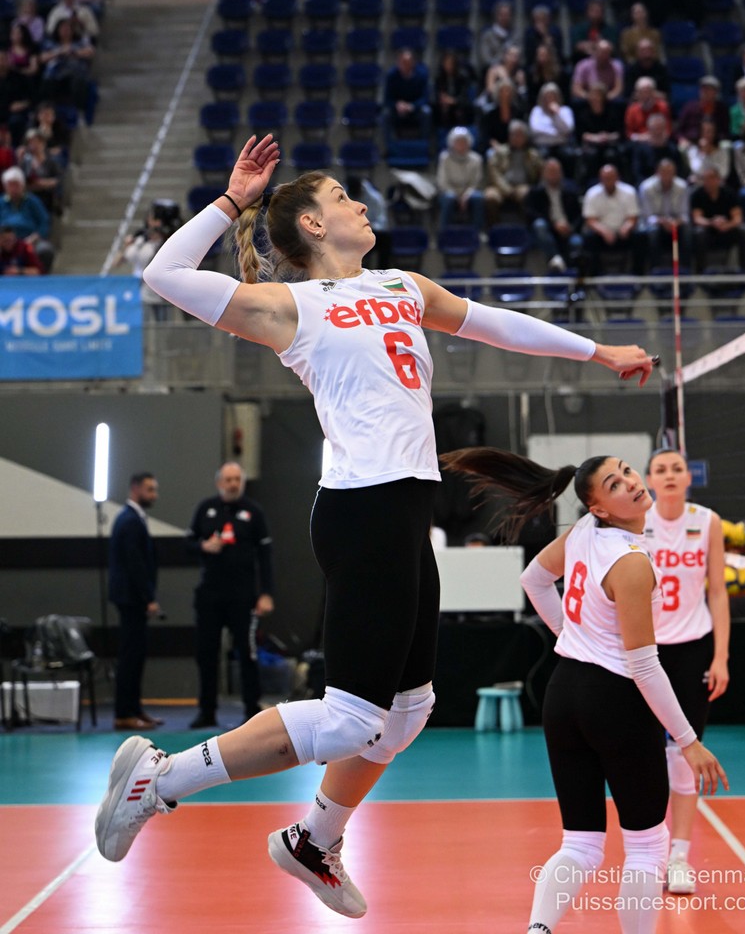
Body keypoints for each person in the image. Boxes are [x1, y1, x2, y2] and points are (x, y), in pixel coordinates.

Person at [94, 133, 657, 919]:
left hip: (405, 509)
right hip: (363, 508)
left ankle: (313, 841)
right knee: (352, 718)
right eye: (341, 198)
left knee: (407, 712)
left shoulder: (400, 285)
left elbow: (495, 323)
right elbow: (163, 275)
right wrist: (232, 200)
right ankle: (161, 779)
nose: (359, 204)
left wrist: (596, 352)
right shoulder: (288, 306)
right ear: (313, 226)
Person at [439, 446, 726, 934]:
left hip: (564, 693)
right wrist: (687, 741)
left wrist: (570, 636)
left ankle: (538, 930)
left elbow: (533, 579)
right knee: (647, 845)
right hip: (614, 700)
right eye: (614, 484)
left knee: (581, 842)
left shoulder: (584, 531)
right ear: (600, 508)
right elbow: (644, 665)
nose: (631, 482)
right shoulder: (631, 562)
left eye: (627, 471)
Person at [642, 448, 730, 894]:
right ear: (650, 480)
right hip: (646, 650)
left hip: (694, 647)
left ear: (688, 478)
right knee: (643, 754)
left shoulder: (708, 521)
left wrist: (721, 657)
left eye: (677, 468)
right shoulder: (636, 521)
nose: (670, 475)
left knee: (683, 754)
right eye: (661, 469)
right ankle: (650, 851)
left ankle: (679, 857)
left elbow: (719, 592)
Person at [186, 462, 274, 729]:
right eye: (228, 479)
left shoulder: (254, 512)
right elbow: (187, 544)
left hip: (243, 596)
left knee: (247, 653)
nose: (233, 484)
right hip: (210, 595)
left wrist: (266, 593)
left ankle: (251, 710)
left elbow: (265, 556)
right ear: (219, 483)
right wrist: (204, 546)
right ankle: (207, 712)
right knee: (206, 653)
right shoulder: (205, 509)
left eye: (237, 479)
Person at [107, 472, 163, 732]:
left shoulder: (133, 518)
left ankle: (134, 709)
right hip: (131, 599)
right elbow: (135, 563)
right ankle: (124, 713)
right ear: (135, 489)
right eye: (150, 489)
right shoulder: (130, 520)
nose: (154, 495)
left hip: (132, 598)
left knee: (136, 655)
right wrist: (148, 597)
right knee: (130, 656)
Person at [525, 156, 583, 272]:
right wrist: (554, 225)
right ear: (544, 173)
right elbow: (531, 214)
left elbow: (579, 215)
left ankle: (571, 271)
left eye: (556, 172)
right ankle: (556, 257)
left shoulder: (571, 190)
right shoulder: (536, 192)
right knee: (539, 225)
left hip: (568, 229)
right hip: (548, 229)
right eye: (550, 172)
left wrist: (570, 227)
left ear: (561, 173)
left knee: (577, 242)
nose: (553, 175)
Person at [582, 164, 642, 274]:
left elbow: (633, 217)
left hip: (623, 231)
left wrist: (626, 227)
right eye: (605, 178)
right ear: (600, 179)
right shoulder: (592, 193)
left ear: (617, 177)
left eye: (611, 177)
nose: (608, 181)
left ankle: (638, 275)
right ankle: (594, 275)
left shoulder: (629, 191)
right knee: (589, 238)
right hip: (601, 233)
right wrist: (603, 231)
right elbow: (590, 220)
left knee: (640, 236)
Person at [483, 119, 541, 227]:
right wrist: (507, 189)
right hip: (500, 187)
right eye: (513, 134)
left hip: (522, 186)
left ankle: (525, 228)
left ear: (525, 137)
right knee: (490, 197)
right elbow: (494, 174)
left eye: (519, 135)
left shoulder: (533, 155)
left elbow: (540, 173)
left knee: (528, 195)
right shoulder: (499, 152)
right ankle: (494, 229)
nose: (515, 138)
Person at [690, 166, 745, 272]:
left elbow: (738, 218)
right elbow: (697, 218)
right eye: (706, 179)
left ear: (719, 180)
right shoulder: (698, 194)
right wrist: (711, 222)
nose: (709, 182)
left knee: (743, 230)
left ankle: (744, 270)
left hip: (727, 229)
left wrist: (727, 225)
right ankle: (700, 272)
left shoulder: (729, 193)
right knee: (699, 233)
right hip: (709, 230)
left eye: (712, 178)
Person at [0, 165, 53, 272]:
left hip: (31, 239)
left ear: (22, 185)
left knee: (45, 250)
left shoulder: (33, 201)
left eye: (16, 185)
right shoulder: (1, 203)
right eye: (10, 185)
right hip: (4, 241)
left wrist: (35, 237)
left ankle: (43, 277)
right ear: (5, 186)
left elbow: (44, 221)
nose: (13, 189)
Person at [435, 126, 485, 232]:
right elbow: (442, 182)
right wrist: (456, 196)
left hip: (469, 192)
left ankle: (477, 232)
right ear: (452, 143)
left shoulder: (476, 159)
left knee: (478, 198)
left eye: (464, 142)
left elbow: (476, 182)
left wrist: (466, 196)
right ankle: (444, 232)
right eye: (458, 142)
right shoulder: (444, 158)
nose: (461, 145)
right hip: (449, 191)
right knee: (449, 199)